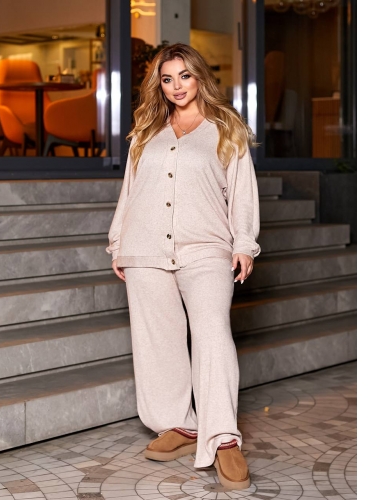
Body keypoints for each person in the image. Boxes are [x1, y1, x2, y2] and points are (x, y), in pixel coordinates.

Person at [106, 43, 260, 490]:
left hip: (206, 247)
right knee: (157, 341)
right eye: (167, 79)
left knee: (212, 334)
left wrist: (244, 243)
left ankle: (223, 437)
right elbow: (130, 190)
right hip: (145, 249)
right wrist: (119, 243)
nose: (176, 86)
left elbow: (242, 192)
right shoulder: (146, 131)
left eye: (184, 76)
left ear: (199, 77)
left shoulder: (225, 128)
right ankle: (180, 424)